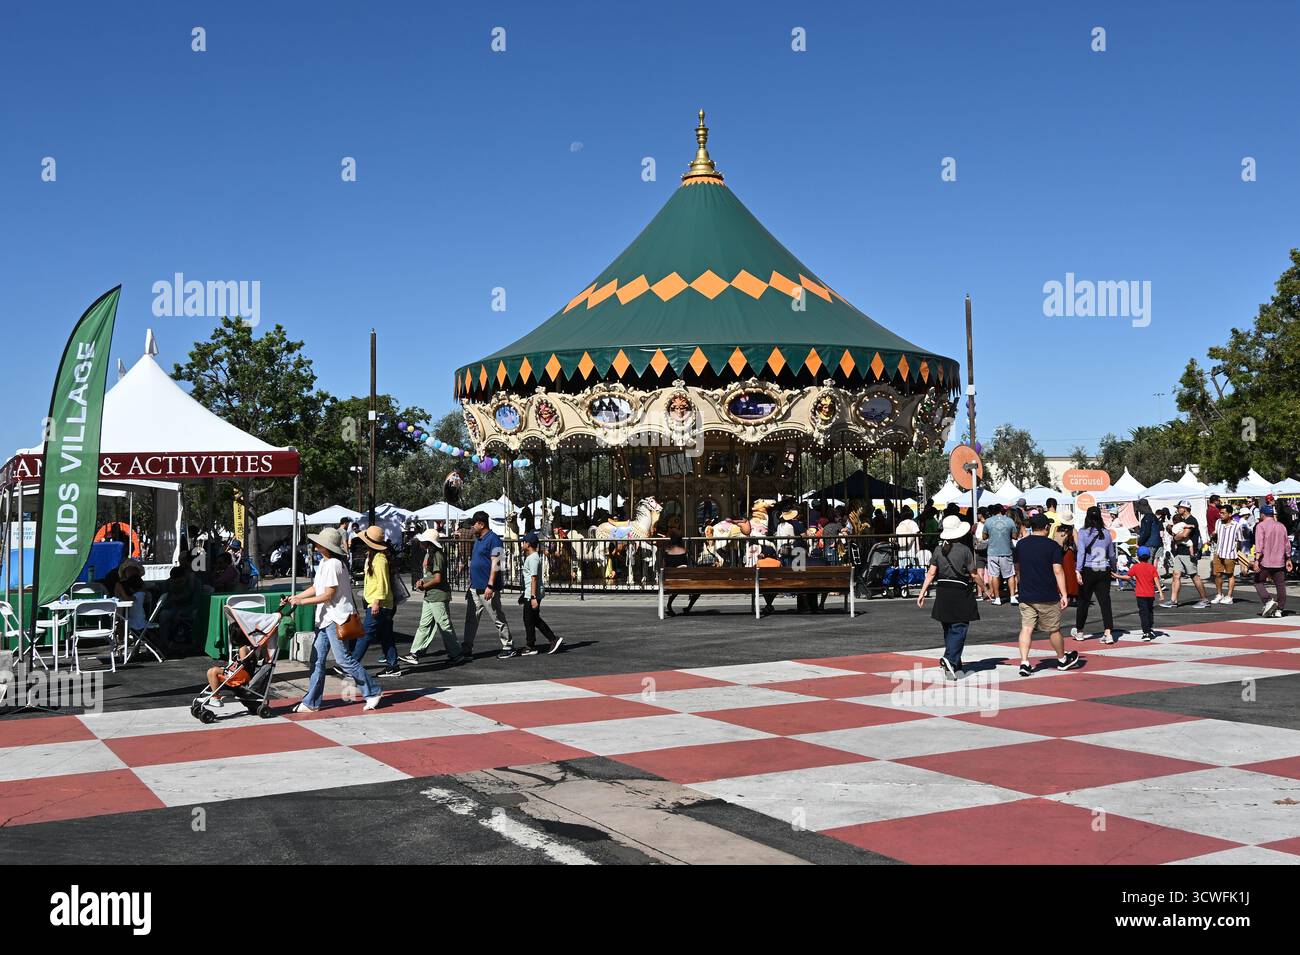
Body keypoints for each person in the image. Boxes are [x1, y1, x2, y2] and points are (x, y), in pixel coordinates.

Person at [288, 527, 382, 712]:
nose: (315, 545)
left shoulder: (332, 564)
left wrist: (301, 601)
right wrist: (296, 598)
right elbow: (317, 588)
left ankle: (372, 691)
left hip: (336, 618)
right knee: (317, 660)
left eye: (318, 543)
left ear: (326, 546)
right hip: (327, 617)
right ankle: (311, 702)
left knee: (343, 660)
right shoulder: (326, 563)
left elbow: (328, 595)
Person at [1012, 514, 1083, 677]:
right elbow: (1058, 570)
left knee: (1026, 628)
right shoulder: (1052, 546)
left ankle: (1024, 662)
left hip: (1026, 593)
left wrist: (1020, 584)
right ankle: (1062, 659)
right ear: (1046, 527)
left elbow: (1017, 568)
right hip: (1047, 594)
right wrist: (1064, 594)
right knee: (1053, 629)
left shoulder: (1021, 545)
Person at [916, 515, 981, 681]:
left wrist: (922, 592)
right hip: (959, 590)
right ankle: (951, 660)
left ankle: (954, 662)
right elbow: (973, 574)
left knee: (948, 627)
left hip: (943, 590)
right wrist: (985, 587)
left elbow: (931, 573)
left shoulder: (938, 550)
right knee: (959, 627)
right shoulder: (965, 550)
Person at [401, 528, 465, 666]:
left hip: (437, 595)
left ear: (429, 543)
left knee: (443, 625)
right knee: (426, 624)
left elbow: (437, 579)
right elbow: (432, 577)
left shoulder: (436, 555)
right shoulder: (431, 554)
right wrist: (422, 582)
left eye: (423, 541)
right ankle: (415, 653)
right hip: (431, 595)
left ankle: (456, 653)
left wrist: (424, 585)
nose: (421, 543)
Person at [463, 510, 518, 659]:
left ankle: (508, 645)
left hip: (487, 588)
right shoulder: (479, 539)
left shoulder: (494, 539)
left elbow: (497, 564)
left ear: (481, 524)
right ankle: (466, 648)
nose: (471, 528)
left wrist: (490, 585)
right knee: (471, 619)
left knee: (497, 617)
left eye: (473, 525)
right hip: (475, 587)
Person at [348, 526, 401, 677]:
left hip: (379, 604)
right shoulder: (374, 557)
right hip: (383, 604)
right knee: (386, 635)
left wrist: (376, 602)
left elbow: (382, 584)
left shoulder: (379, 559)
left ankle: (352, 665)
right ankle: (393, 665)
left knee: (365, 634)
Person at [1072, 507, 1118, 643]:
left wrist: (1078, 570)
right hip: (1103, 569)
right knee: (1105, 602)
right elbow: (1111, 554)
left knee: (1084, 601)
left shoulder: (1083, 533)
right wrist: (1114, 567)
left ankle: (1080, 631)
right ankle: (1108, 632)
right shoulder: (1106, 533)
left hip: (1088, 569)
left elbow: (1081, 553)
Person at [519, 533, 563, 654]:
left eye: (524, 542)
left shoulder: (533, 558)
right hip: (530, 592)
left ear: (528, 544)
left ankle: (543, 642)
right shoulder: (532, 557)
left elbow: (534, 578)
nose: (523, 544)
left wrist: (532, 597)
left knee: (530, 619)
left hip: (533, 594)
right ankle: (532, 644)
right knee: (532, 619)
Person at [1165, 500, 1210, 609]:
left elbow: (1184, 535)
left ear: (1184, 509)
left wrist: (1174, 538)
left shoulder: (1191, 520)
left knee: (1194, 576)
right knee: (1176, 575)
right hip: (1179, 552)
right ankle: (1173, 600)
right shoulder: (1182, 520)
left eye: (1179, 507)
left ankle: (1205, 600)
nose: (1177, 509)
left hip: (1188, 553)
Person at [1252, 505, 1293, 617]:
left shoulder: (1261, 526)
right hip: (1279, 560)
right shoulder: (1281, 526)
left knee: (1258, 581)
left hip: (1265, 560)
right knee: (1280, 584)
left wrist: (1256, 560)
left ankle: (1268, 600)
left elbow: (1259, 544)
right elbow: (1287, 544)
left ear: (1262, 514)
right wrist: (1288, 558)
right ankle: (1279, 609)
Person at [982, 503, 1017, 605]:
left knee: (995, 575)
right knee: (1010, 575)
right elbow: (1015, 536)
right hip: (1006, 551)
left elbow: (984, 537)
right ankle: (1012, 597)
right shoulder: (1010, 521)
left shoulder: (988, 521)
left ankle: (997, 598)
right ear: (1003, 511)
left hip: (992, 552)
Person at [1128, 546, 1165, 640]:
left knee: (1143, 613)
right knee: (1149, 611)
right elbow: (1156, 580)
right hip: (1150, 594)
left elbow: (1128, 576)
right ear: (1149, 557)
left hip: (1140, 595)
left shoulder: (1135, 567)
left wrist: (1116, 575)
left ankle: (1146, 632)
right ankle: (1149, 628)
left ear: (1138, 556)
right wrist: (1160, 593)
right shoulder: (1152, 567)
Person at [1210, 503, 1243, 604]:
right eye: (1220, 513)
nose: (1221, 515)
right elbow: (1216, 533)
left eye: (1223, 513)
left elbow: (1240, 540)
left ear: (1229, 514)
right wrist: (1213, 535)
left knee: (1230, 574)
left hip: (1230, 553)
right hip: (1219, 551)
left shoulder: (1236, 526)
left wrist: (1238, 553)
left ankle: (1229, 596)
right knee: (1217, 574)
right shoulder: (1218, 522)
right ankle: (1219, 594)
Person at [662, 533, 700, 615]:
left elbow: (663, 568)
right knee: (698, 590)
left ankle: (669, 604)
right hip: (685, 581)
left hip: (670, 582)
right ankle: (688, 607)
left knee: (677, 587)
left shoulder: (667, 552)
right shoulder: (685, 552)